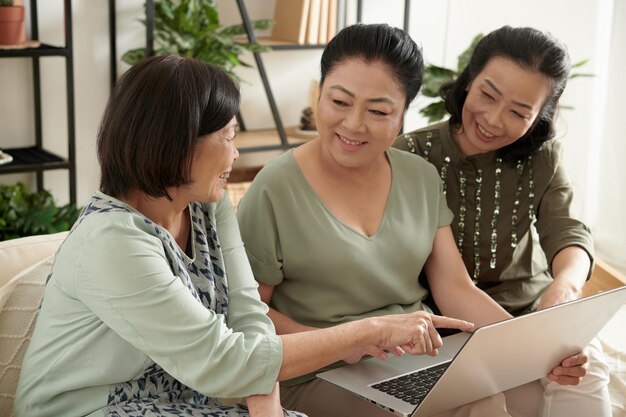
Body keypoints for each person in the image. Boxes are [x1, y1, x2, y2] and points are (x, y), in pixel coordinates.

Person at [14, 55, 474, 417]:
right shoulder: (111, 241)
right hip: (96, 409)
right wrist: (370, 331)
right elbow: (223, 361)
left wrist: (267, 408)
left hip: (192, 401)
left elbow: (248, 315)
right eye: (229, 136)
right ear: (177, 142)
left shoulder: (207, 207)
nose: (235, 153)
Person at [236, 24, 609, 417]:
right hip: (317, 367)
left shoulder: (418, 175)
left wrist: (537, 347)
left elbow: (453, 287)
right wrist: (347, 341)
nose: (354, 124)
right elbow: (249, 315)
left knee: (496, 400)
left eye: (378, 111)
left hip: (412, 359)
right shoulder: (274, 187)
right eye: (339, 101)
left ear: (402, 117)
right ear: (319, 93)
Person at [392, 24, 611, 415]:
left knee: (587, 371)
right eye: (487, 95)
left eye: (519, 112)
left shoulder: (544, 157)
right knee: (502, 398)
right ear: (467, 80)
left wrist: (564, 290)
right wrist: (531, 350)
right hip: (446, 327)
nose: (492, 119)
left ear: (540, 115)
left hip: (533, 311)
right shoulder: (411, 154)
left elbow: (567, 230)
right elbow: (440, 281)